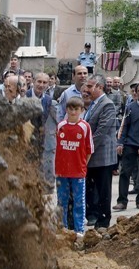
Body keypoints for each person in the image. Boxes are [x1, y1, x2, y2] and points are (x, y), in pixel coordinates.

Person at [55, 96, 92, 244]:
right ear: (66, 110)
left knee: (79, 201)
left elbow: (89, 150)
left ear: (81, 110)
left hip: (78, 171)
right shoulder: (61, 126)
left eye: (76, 109)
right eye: (70, 109)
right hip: (62, 171)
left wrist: (82, 165)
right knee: (62, 201)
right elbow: (58, 149)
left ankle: (79, 230)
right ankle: (63, 228)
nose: (73, 112)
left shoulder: (84, 127)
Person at [82, 77, 117, 230]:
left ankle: (103, 221)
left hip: (102, 156)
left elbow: (101, 131)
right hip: (91, 156)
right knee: (91, 188)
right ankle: (93, 216)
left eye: (90, 86)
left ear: (100, 87)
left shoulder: (107, 104)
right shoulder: (92, 105)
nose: (87, 89)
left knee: (103, 190)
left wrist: (86, 148)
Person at [116, 81, 139, 210]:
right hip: (131, 143)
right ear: (135, 93)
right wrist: (120, 142)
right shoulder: (130, 107)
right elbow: (124, 126)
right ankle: (122, 201)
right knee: (125, 172)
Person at [31, 72, 58, 188]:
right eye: (39, 81)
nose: (41, 85)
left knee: (47, 168)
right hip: (28, 140)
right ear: (33, 82)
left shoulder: (49, 101)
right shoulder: (24, 96)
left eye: (45, 82)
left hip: (45, 141)